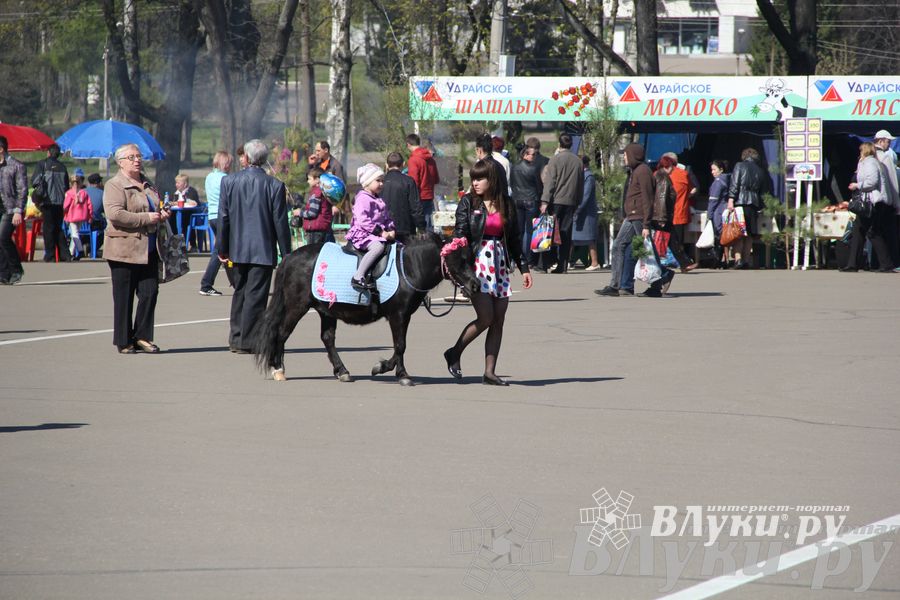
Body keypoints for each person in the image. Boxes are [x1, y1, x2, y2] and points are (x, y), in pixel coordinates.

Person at [443, 159, 532, 386]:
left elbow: (513, 239)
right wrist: (457, 263)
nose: (475, 182)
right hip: (477, 266)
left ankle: (489, 372)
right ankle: (454, 352)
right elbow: (461, 232)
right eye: (473, 178)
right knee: (486, 317)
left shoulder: (507, 204)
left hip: (500, 265)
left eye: (480, 178)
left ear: (492, 179)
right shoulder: (468, 202)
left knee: (498, 320)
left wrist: (524, 268)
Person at [217, 140, 292, 353]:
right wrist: (286, 253)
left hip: (237, 247)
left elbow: (223, 217)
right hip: (263, 248)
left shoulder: (229, 182)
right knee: (256, 295)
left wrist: (222, 247)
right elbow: (280, 222)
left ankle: (236, 337)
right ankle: (248, 341)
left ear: (247, 158)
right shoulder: (274, 185)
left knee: (240, 291)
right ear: (264, 160)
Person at [103, 143, 171, 354]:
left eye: (139, 156)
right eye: (131, 157)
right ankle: (124, 341)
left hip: (148, 249)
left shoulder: (148, 183)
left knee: (150, 292)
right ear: (120, 162)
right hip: (123, 248)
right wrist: (146, 218)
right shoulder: (114, 185)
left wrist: (162, 213)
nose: (137, 160)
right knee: (124, 297)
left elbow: (155, 207)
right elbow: (115, 214)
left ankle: (142, 336)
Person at [595, 143, 654, 297]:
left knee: (645, 250)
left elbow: (648, 198)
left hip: (639, 216)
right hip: (632, 216)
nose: (624, 158)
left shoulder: (643, 172)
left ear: (634, 155)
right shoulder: (634, 171)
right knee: (620, 246)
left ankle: (661, 279)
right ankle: (616, 285)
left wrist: (646, 224)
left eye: (626, 155)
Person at [842, 142, 894, 273]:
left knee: (871, 232)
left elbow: (872, 181)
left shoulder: (870, 163)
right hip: (870, 201)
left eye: (860, 150)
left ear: (865, 151)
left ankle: (884, 263)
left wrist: (857, 185)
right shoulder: (865, 162)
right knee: (862, 231)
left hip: (872, 202)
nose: (859, 152)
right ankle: (854, 263)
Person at [347, 163, 395, 291]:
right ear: (367, 182)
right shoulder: (362, 198)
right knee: (377, 247)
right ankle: (358, 276)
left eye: (382, 181)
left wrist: (391, 229)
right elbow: (363, 220)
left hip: (376, 233)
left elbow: (386, 217)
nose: (381, 184)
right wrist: (381, 232)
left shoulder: (378, 199)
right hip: (363, 234)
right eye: (377, 180)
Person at [540, 133, 584, 273]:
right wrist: (578, 200)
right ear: (571, 144)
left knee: (548, 231)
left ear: (559, 144)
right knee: (566, 233)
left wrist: (545, 200)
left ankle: (545, 263)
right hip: (571, 200)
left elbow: (550, 182)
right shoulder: (578, 161)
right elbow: (580, 184)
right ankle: (563, 265)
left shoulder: (555, 159)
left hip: (556, 200)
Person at [641, 155, 679, 297]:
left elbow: (661, 198)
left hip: (657, 218)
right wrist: (662, 217)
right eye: (672, 166)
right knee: (653, 250)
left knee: (652, 250)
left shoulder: (659, 176)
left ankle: (662, 275)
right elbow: (662, 198)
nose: (673, 170)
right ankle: (663, 275)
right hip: (660, 218)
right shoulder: (663, 177)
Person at [726, 148, 768, 269]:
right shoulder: (760, 171)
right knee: (749, 234)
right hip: (753, 204)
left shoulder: (739, 165)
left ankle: (738, 260)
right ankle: (746, 260)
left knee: (739, 233)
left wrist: (731, 199)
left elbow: (735, 183)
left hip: (740, 202)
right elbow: (763, 191)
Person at [199, 151, 232, 296]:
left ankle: (236, 281)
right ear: (223, 163)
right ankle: (206, 284)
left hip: (211, 216)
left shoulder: (209, 177)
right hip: (222, 217)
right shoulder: (225, 179)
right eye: (229, 163)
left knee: (222, 249)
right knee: (220, 251)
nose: (230, 166)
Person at [32, 143, 71, 262]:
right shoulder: (63, 167)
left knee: (48, 229)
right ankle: (65, 255)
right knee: (58, 228)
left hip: (46, 201)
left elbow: (34, 181)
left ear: (48, 153)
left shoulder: (42, 164)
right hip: (59, 202)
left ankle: (50, 255)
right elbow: (66, 186)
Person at [661, 152, 697, 272]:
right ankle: (683, 263)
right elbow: (693, 189)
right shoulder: (684, 174)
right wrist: (686, 196)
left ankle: (681, 263)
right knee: (677, 240)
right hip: (679, 213)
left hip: (663, 214)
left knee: (668, 240)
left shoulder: (658, 175)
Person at [509, 144, 543, 268]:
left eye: (534, 154)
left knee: (520, 231)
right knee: (529, 231)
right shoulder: (533, 169)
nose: (533, 157)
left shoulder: (514, 168)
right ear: (524, 155)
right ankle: (527, 258)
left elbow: (512, 183)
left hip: (517, 199)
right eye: (531, 154)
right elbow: (539, 186)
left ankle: (518, 257)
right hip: (531, 200)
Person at [0, 135, 27, 284]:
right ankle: (4, 273)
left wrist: (18, 210)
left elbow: (22, 189)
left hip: (9, 208)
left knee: (3, 238)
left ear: (1, 149)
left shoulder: (16, 166)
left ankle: (16, 269)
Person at [872, 130, 899, 266]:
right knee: (889, 233)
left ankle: (875, 262)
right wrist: (897, 202)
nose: (890, 143)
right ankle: (892, 262)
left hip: (871, 201)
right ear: (881, 141)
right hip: (886, 200)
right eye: (888, 141)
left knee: (874, 231)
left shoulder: (866, 156)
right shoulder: (885, 157)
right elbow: (893, 181)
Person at [382, 152, 424, 238]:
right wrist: (421, 227)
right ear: (404, 164)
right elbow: (415, 207)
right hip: (405, 229)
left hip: (383, 229)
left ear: (386, 165)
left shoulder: (379, 182)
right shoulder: (409, 181)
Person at [571, 155, 601, 271]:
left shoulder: (589, 177)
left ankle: (595, 262)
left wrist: (577, 209)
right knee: (572, 238)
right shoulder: (580, 175)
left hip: (587, 212)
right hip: (579, 211)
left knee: (589, 238)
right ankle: (567, 261)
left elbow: (585, 196)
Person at [405, 133, 439, 230]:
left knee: (416, 228)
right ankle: (430, 244)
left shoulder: (413, 160)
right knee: (428, 227)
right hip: (429, 196)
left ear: (408, 144)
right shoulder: (431, 159)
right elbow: (436, 179)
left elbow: (413, 182)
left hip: (418, 197)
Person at [299, 167, 335, 246]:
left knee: (313, 254)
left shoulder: (316, 194)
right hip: (324, 228)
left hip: (315, 231)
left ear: (317, 180)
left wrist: (299, 213)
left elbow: (312, 213)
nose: (308, 181)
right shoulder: (325, 191)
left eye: (309, 179)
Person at [707, 159, 731, 268]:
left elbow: (713, 200)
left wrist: (709, 214)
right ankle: (725, 259)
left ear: (721, 170)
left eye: (714, 169)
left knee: (718, 236)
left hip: (718, 211)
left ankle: (717, 260)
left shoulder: (718, 182)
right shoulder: (728, 180)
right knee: (724, 236)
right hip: (725, 209)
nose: (712, 172)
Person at [63, 173, 92, 259]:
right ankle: (71, 252)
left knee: (74, 234)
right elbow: (90, 205)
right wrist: (90, 216)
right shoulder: (84, 193)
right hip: (82, 216)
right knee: (75, 233)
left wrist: (64, 212)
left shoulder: (69, 193)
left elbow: (65, 206)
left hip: (72, 216)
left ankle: (80, 250)